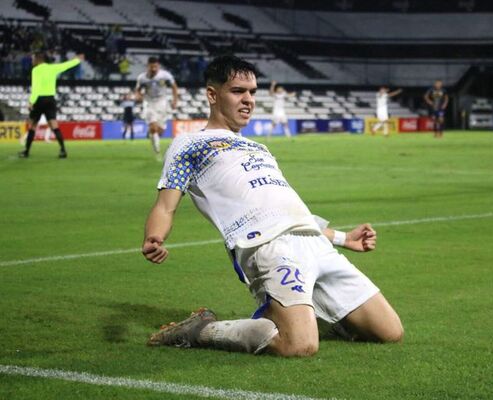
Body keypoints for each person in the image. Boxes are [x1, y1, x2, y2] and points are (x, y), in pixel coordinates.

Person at [142, 55, 403, 357]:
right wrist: (155, 236)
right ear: (212, 95)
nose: (249, 100)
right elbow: (165, 205)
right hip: (267, 246)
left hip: (314, 243)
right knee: (300, 346)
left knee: (389, 331)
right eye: (238, 91)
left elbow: (284, 207)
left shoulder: (258, 147)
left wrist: (344, 238)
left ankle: (305, 316)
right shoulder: (190, 144)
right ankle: (201, 329)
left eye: (253, 92)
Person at [19, 52, 84, 158]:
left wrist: (31, 101)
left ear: (38, 59)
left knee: (33, 126)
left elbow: (36, 88)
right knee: (54, 125)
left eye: (33, 59)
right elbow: (66, 65)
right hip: (50, 99)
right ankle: (63, 150)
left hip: (39, 99)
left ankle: (26, 151)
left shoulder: (36, 70)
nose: (32, 61)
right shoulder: (52, 68)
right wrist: (77, 60)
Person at [135, 57, 178, 159]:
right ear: (148, 66)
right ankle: (157, 151)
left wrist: (175, 100)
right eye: (151, 67)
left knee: (160, 130)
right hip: (149, 103)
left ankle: (152, 135)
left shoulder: (165, 75)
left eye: (155, 66)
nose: (153, 69)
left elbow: (174, 87)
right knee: (153, 127)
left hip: (162, 103)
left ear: (158, 66)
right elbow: (138, 90)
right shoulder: (142, 78)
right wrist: (139, 96)